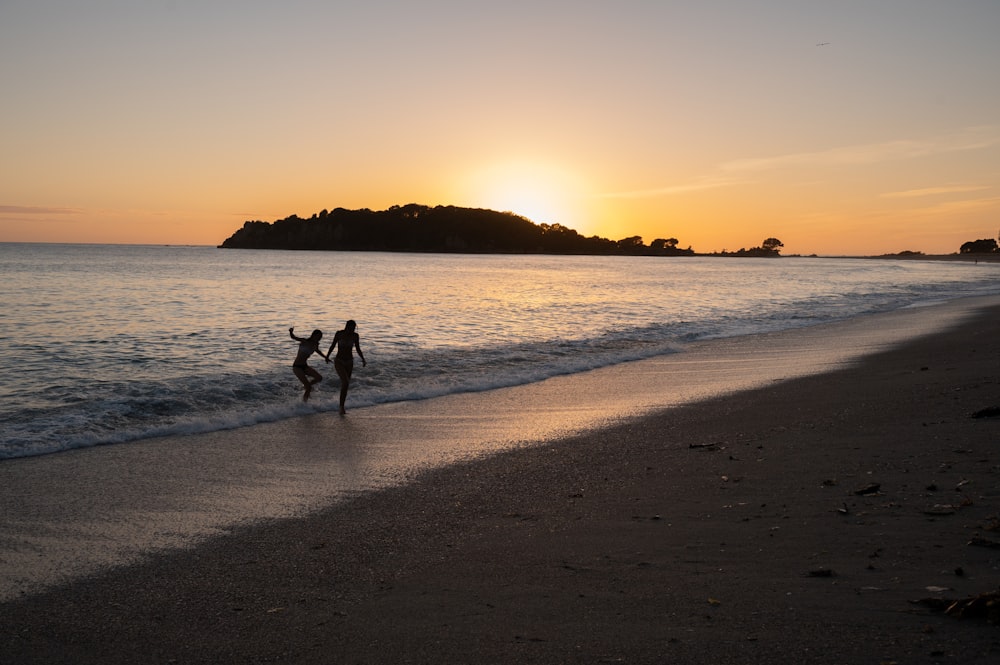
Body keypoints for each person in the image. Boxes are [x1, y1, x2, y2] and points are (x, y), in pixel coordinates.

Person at [326, 319, 366, 415]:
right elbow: (332, 345)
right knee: (345, 381)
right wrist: (327, 356)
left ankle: (342, 406)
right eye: (350, 328)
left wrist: (363, 359)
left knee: (346, 385)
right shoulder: (339, 334)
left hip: (349, 362)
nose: (351, 330)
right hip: (339, 361)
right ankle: (341, 407)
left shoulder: (355, 336)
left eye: (353, 328)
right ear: (346, 326)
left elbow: (358, 348)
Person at [289, 327, 328, 402]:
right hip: (297, 367)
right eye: (318, 337)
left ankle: (306, 386)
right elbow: (294, 337)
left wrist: (325, 357)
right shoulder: (305, 341)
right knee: (309, 388)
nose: (319, 338)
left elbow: (318, 351)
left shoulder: (315, 345)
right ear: (313, 335)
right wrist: (291, 332)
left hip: (305, 366)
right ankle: (304, 404)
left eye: (320, 337)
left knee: (319, 378)